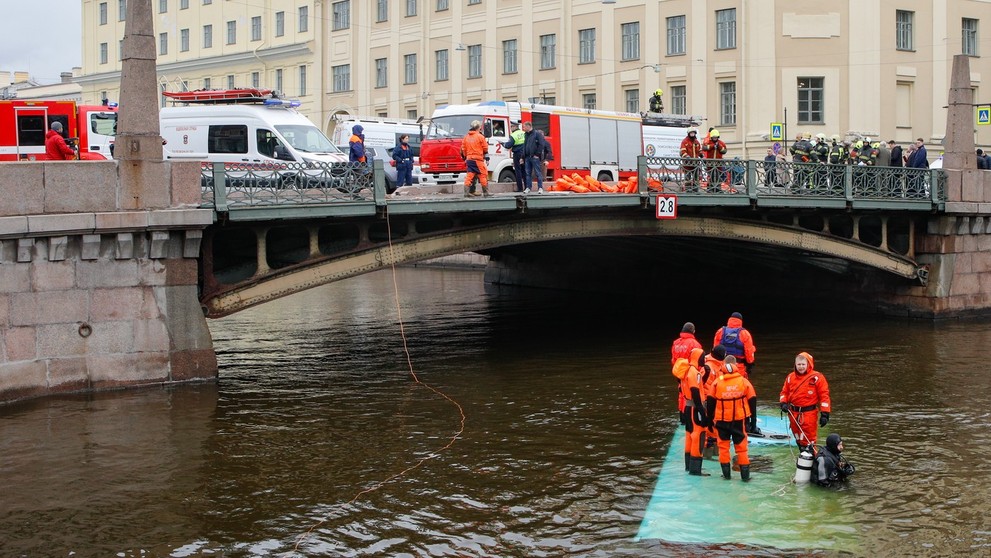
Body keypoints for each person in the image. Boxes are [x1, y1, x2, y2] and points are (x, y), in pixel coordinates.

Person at [705, 357, 758, 481]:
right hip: (739, 421)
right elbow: (752, 399)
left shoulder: (717, 382)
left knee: (723, 448)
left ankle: (726, 476)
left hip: (721, 421)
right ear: (735, 368)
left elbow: (710, 402)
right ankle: (745, 477)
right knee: (742, 449)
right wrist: (752, 421)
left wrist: (709, 421)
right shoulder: (743, 381)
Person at [779, 351, 831, 450]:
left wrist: (825, 413)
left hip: (808, 414)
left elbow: (824, 396)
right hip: (793, 413)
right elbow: (784, 392)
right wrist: (783, 403)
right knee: (797, 437)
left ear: (808, 364)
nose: (801, 367)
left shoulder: (817, 378)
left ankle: (811, 459)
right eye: (799, 364)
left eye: (803, 364)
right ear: (795, 364)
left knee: (809, 440)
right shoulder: (790, 377)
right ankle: (802, 455)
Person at [680, 347, 711, 476]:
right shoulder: (694, 372)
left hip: (688, 407)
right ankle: (695, 469)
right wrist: (702, 413)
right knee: (697, 436)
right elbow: (695, 392)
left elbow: (695, 387)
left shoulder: (688, 370)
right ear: (698, 358)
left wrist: (706, 374)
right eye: (703, 357)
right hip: (694, 408)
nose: (704, 359)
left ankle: (689, 466)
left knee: (689, 435)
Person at [671, 321, 703, 417]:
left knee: (681, 394)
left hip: (679, 374)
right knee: (689, 396)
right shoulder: (695, 344)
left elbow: (673, 359)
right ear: (693, 331)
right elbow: (698, 360)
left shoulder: (676, 343)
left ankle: (682, 414)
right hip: (690, 374)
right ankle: (689, 416)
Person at [713, 312, 756, 378]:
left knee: (722, 385)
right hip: (738, 367)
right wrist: (750, 364)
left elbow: (715, 350)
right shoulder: (745, 333)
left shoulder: (720, 331)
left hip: (723, 366)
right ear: (741, 321)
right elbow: (749, 351)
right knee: (739, 385)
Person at [461, 120, 490, 197]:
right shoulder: (480, 137)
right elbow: (485, 148)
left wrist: (466, 156)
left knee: (469, 176)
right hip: (478, 160)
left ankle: (466, 193)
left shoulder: (466, 137)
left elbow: (463, 149)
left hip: (469, 159)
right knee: (483, 175)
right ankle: (486, 193)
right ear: (479, 127)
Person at [522, 121, 552, 194]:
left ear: (529, 126)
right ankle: (528, 187)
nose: (523, 128)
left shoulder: (537, 134)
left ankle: (540, 188)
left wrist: (537, 154)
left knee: (538, 173)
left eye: (524, 127)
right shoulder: (526, 134)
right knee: (528, 173)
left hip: (534, 157)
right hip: (527, 157)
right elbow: (525, 145)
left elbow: (541, 145)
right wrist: (523, 157)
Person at [503, 121, 527, 192]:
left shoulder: (513, 135)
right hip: (525, 154)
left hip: (517, 154)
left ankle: (520, 188)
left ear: (515, 127)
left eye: (511, 127)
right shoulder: (524, 133)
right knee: (525, 171)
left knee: (518, 171)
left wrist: (504, 144)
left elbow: (508, 145)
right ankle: (527, 187)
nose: (511, 128)